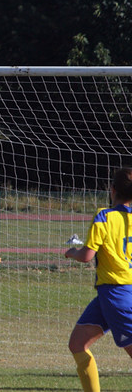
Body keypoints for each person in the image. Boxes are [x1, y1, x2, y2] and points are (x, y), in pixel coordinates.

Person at [65, 167, 132, 392]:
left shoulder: (104, 215)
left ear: (112, 190)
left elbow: (86, 256)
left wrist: (71, 252)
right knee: (77, 344)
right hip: (110, 293)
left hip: (118, 295)